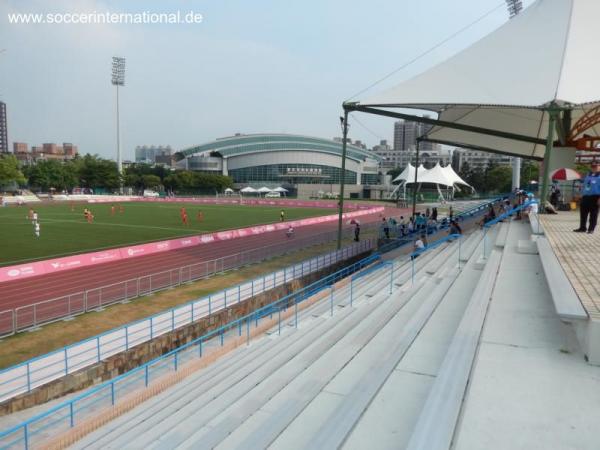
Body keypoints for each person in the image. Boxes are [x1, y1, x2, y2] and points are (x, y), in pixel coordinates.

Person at [574, 162, 600, 234]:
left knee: (593, 214)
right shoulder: (588, 175)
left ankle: (591, 229)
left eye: (595, 166)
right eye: (592, 166)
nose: (594, 168)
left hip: (595, 197)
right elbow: (585, 186)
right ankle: (582, 228)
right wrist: (581, 194)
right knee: (583, 213)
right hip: (585, 197)